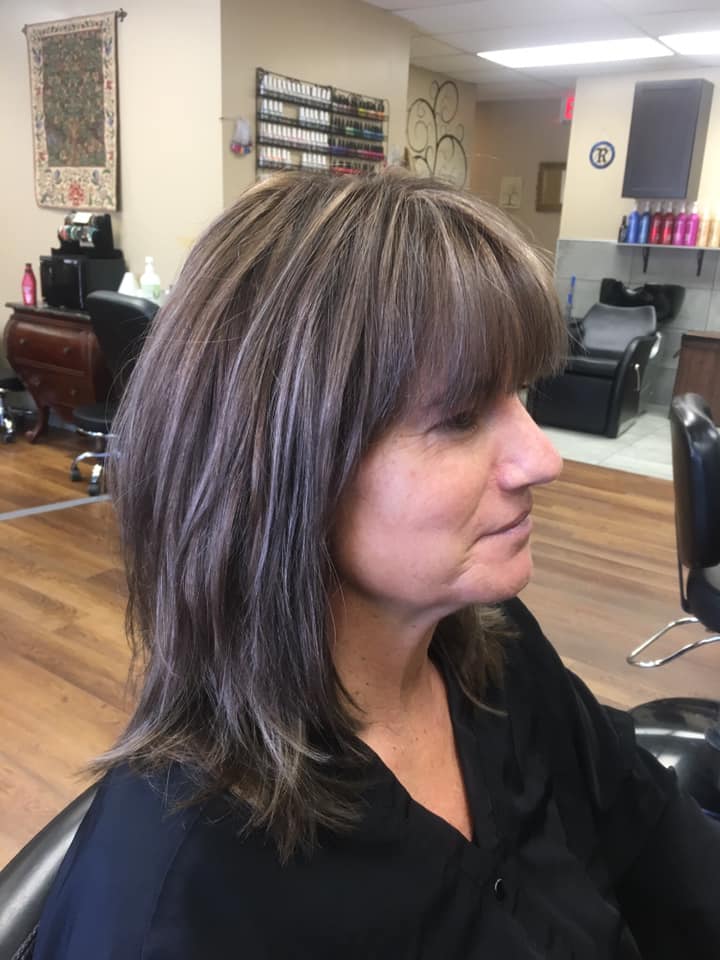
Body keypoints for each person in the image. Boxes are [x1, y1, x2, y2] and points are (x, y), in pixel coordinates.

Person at [35, 172, 720, 959]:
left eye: (521, 392)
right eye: (459, 416)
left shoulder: (495, 648)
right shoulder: (174, 907)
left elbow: (665, 848)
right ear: (277, 468)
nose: (542, 458)